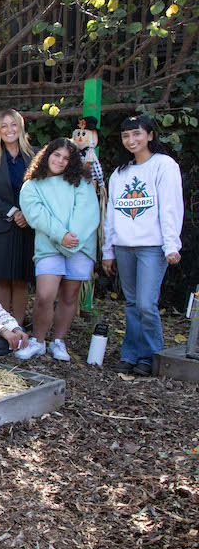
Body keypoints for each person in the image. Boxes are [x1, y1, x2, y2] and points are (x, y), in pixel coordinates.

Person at [102, 115, 183, 376]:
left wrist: (172, 244)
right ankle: (131, 354)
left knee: (147, 304)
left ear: (150, 135)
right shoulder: (120, 172)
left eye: (137, 134)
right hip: (125, 246)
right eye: (126, 135)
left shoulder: (164, 165)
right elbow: (111, 215)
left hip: (152, 246)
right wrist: (108, 251)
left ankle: (151, 356)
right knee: (132, 303)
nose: (131, 140)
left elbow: (170, 207)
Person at [15, 138, 100, 361]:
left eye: (66, 158)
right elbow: (37, 216)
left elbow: (88, 211)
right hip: (50, 246)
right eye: (56, 155)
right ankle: (38, 341)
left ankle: (58, 342)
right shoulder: (31, 186)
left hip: (80, 245)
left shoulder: (81, 182)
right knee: (45, 295)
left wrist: (72, 239)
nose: (60, 161)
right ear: (46, 155)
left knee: (69, 296)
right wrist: (61, 236)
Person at [0, 109, 36, 325]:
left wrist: (27, 214)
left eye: (13, 124)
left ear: (21, 127)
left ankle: (19, 326)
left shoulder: (35, 156)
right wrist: (14, 212)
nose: (9, 130)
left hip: (27, 227)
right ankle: (4, 328)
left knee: (21, 280)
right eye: (4, 125)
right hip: (0, 226)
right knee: (2, 280)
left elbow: (41, 191)